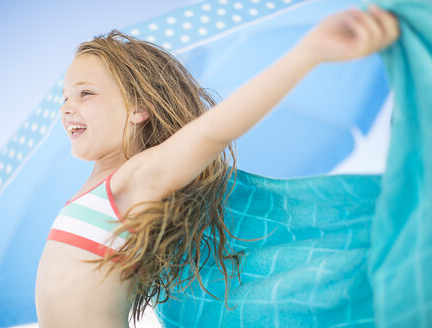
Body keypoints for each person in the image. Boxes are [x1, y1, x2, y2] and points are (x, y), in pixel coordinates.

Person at [35, 4, 400, 328]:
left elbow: (213, 132)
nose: (67, 107)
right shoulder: (87, 193)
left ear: (137, 109)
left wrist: (308, 52)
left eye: (86, 93)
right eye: (65, 97)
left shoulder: (135, 178)